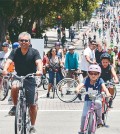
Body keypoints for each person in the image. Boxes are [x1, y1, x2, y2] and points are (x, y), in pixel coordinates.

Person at [2, 32, 43, 134]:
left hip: (30, 78)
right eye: (21, 40)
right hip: (18, 76)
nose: (23, 42)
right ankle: (16, 106)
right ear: (19, 42)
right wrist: (5, 69)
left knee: (33, 105)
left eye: (26, 40)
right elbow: (8, 61)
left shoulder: (34, 52)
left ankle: (32, 126)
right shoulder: (15, 51)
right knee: (15, 87)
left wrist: (39, 70)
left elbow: (39, 62)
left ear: (29, 42)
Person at [75, 64, 111, 133]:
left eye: (96, 73)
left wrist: (107, 93)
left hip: (97, 98)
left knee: (98, 103)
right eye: (91, 73)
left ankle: (99, 119)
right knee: (84, 115)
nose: (93, 75)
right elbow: (80, 85)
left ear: (99, 74)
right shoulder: (86, 79)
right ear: (88, 73)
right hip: (88, 100)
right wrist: (77, 89)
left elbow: (104, 88)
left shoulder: (100, 80)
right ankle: (82, 130)